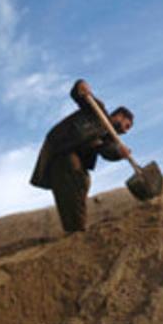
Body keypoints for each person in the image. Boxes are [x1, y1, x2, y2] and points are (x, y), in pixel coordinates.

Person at [30, 79, 134, 233]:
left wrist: (120, 153)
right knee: (75, 170)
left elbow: (108, 151)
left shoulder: (107, 139)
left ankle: (75, 229)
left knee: (82, 182)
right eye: (126, 125)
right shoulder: (97, 110)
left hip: (68, 162)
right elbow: (80, 96)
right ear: (119, 116)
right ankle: (75, 228)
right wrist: (81, 87)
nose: (125, 131)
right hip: (59, 148)